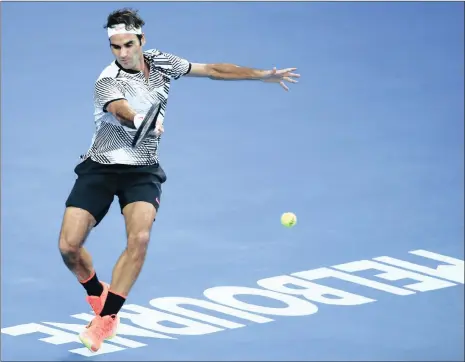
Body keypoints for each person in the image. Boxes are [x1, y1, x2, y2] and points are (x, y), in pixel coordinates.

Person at [58, 7, 300, 353]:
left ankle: (107, 319)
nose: (123, 53)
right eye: (116, 47)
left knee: (139, 237)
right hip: (101, 168)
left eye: (129, 45)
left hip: (142, 170)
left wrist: (260, 74)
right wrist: (141, 118)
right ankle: (97, 291)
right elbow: (120, 110)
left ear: (142, 40)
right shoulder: (106, 80)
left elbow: (213, 70)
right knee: (68, 247)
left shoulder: (161, 63)